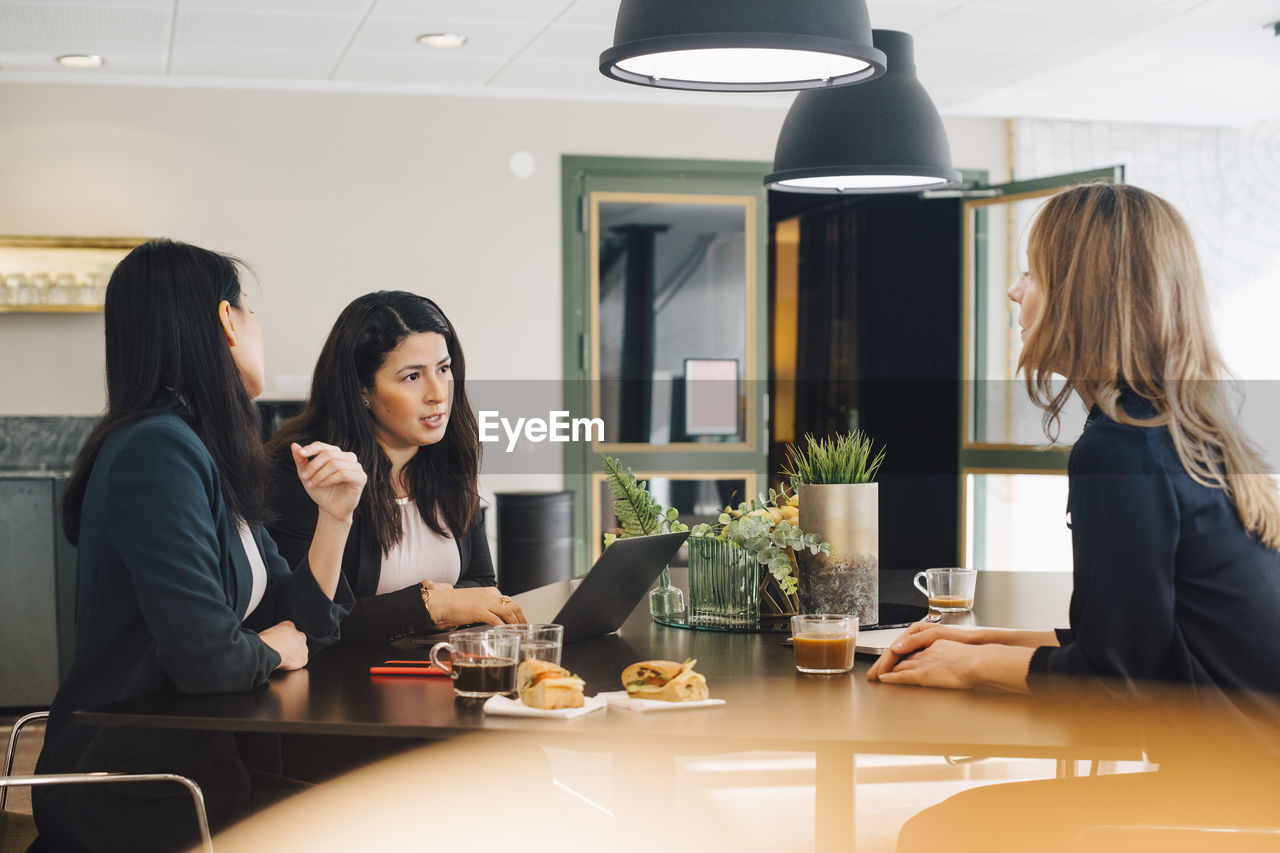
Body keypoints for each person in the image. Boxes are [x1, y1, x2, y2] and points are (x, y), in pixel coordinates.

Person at [867, 184, 1280, 850]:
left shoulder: (1121, 449)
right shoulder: (1181, 430)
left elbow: (1116, 683)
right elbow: (1137, 640)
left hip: (1242, 797)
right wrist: (979, 641)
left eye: (1032, 272)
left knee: (938, 833)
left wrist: (971, 669)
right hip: (1253, 776)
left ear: (1082, 297)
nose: (1013, 291)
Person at [30, 240, 367, 852]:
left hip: (198, 766)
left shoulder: (198, 448)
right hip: (140, 788)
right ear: (224, 321)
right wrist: (270, 648)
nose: (261, 328)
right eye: (251, 310)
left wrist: (336, 519)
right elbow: (208, 659)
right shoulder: (158, 451)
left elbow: (304, 619)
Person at [265, 290, 523, 644]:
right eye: (412, 377)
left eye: (444, 369)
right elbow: (306, 623)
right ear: (362, 390)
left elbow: (479, 584)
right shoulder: (312, 473)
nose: (438, 393)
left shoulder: (446, 455)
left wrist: (443, 607)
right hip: (342, 692)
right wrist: (432, 606)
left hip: (435, 676)